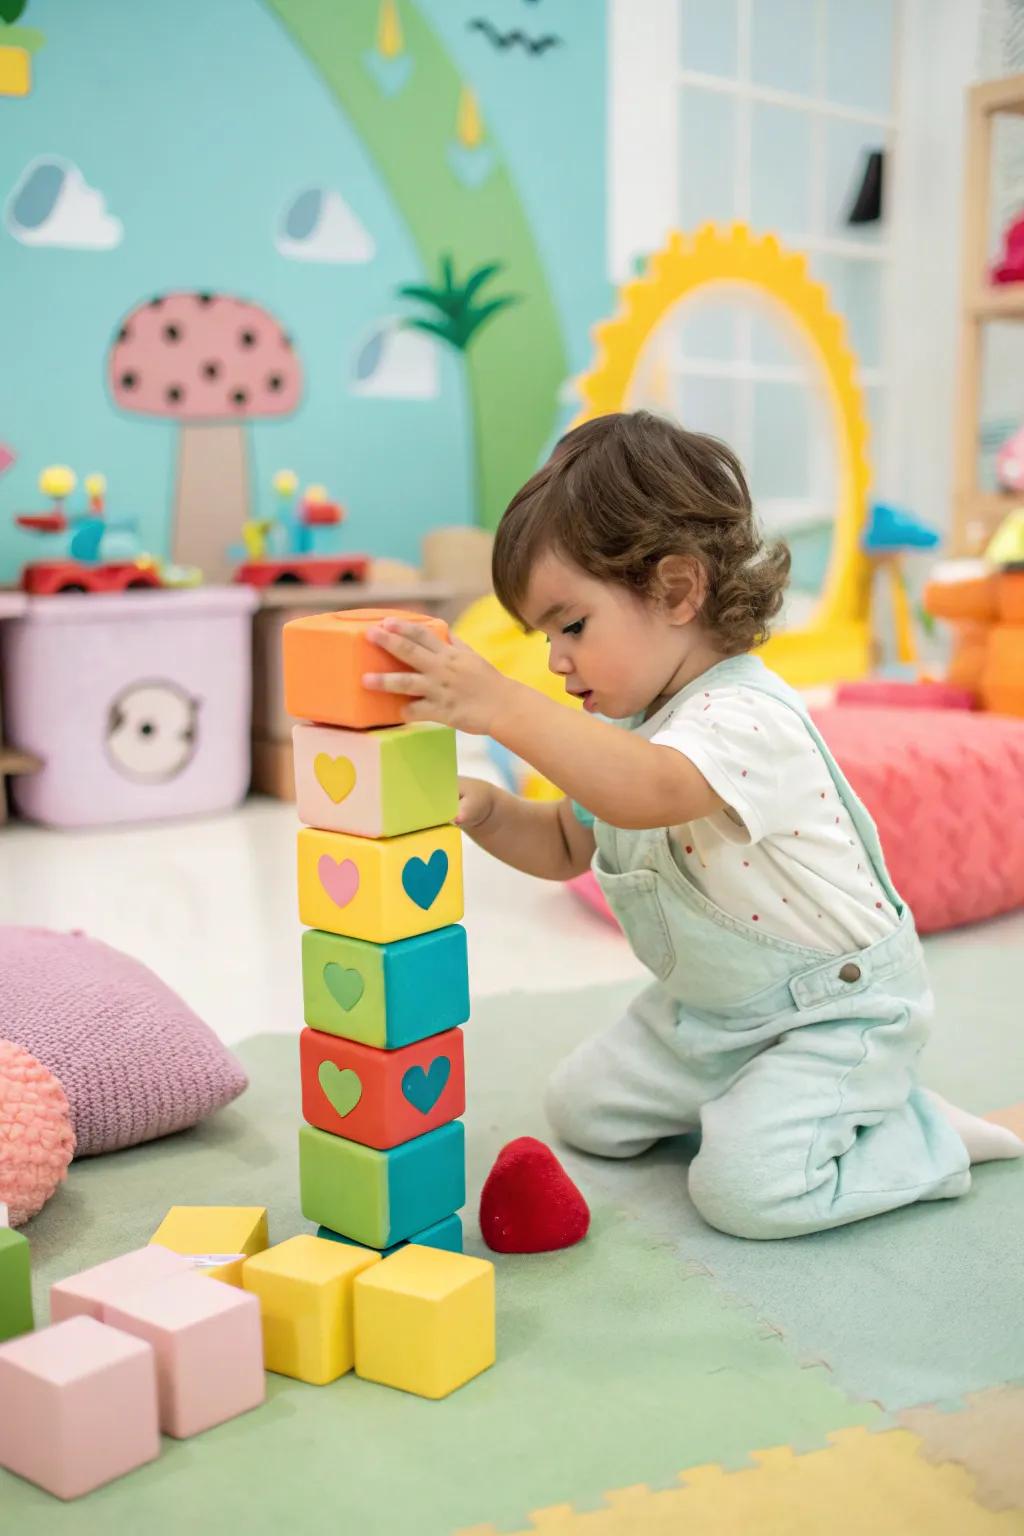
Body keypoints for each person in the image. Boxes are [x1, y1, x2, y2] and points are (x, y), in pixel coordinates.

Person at [362, 410, 1023, 1240]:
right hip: (710, 1015)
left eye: (571, 626)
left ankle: (921, 1138)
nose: (555, 660)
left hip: (833, 1015)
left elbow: (649, 792)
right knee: (582, 1112)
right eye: (543, 638)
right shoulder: (630, 733)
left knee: (745, 1194)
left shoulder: (743, 720)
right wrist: (490, 812)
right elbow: (570, 841)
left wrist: (500, 705)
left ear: (676, 591)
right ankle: (764, 1101)